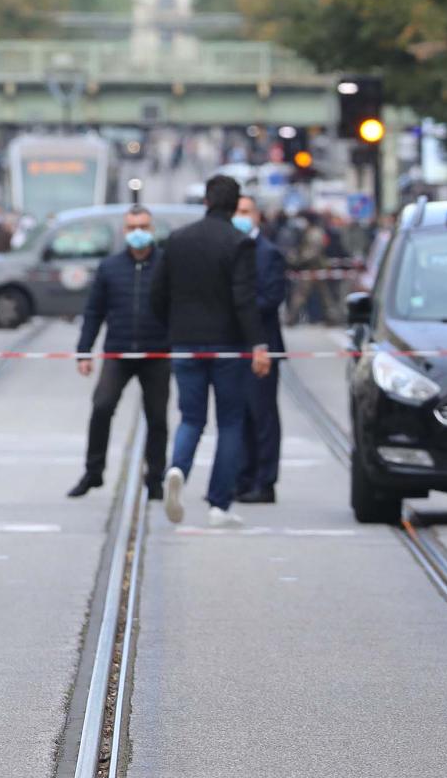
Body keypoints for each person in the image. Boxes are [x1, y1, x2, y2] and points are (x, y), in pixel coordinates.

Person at [150, 175, 272, 527]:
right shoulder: (238, 243)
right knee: (230, 422)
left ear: (205, 201)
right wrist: (257, 345)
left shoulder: (177, 240)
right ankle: (219, 503)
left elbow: (158, 295)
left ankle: (177, 469)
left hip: (185, 343)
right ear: (235, 207)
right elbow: (244, 300)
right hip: (228, 347)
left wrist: (174, 328)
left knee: (191, 418)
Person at [68, 206, 171, 500]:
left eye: (143, 226)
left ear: (152, 230)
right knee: (101, 406)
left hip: (156, 353)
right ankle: (93, 471)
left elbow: (178, 308)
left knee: (157, 419)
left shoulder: (165, 265)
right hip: (119, 351)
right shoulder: (110, 267)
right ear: (124, 232)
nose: (138, 232)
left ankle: (155, 478)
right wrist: (84, 350)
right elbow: (94, 311)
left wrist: (178, 345)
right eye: (132, 227)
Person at [232, 196, 288, 504]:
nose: (240, 217)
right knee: (238, 415)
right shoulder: (230, 250)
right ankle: (242, 478)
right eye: (236, 212)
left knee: (262, 415)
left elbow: (271, 298)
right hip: (233, 347)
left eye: (245, 212)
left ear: (257, 216)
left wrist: (239, 309)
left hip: (263, 347)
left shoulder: (269, 254)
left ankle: (265, 482)